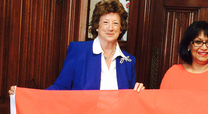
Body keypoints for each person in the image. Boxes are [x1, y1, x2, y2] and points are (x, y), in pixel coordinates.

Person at [9, 0, 144, 95]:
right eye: (105, 22)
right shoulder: (78, 50)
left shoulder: (129, 61)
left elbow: (129, 100)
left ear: (121, 29)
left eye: (115, 23)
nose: (110, 28)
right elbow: (61, 87)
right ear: (97, 26)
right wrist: (25, 95)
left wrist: (139, 92)